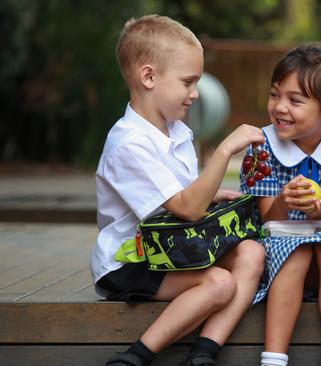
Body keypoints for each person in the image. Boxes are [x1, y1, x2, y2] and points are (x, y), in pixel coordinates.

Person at [91, 14, 267, 366]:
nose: (195, 93)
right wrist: (224, 150)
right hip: (133, 261)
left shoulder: (177, 132)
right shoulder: (129, 143)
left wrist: (213, 195)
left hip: (173, 248)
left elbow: (182, 194)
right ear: (149, 76)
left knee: (252, 254)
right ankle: (134, 356)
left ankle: (204, 352)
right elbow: (187, 208)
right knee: (219, 283)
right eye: (188, 82)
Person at [240, 42, 321, 366]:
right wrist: (283, 201)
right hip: (277, 249)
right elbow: (267, 219)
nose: (280, 107)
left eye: (295, 100)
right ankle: (274, 357)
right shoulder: (261, 146)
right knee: (298, 249)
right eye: (275, 95)